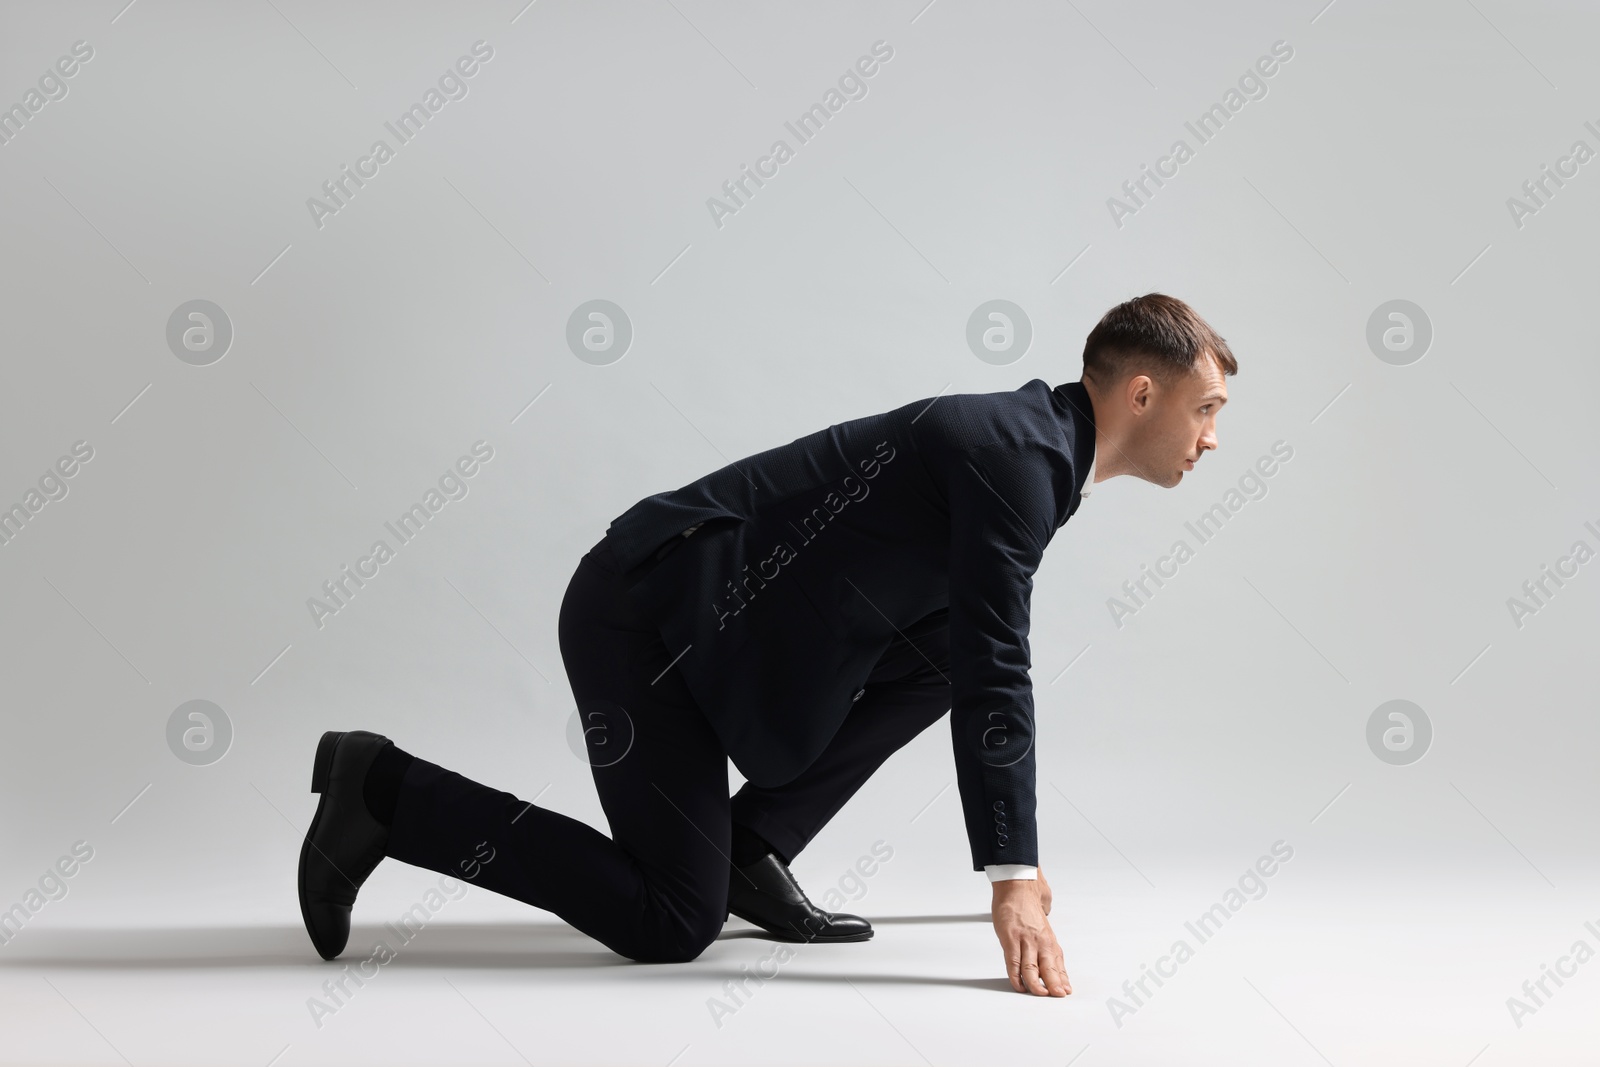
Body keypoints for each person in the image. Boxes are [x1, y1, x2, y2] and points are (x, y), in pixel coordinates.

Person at [297, 292, 1235, 997]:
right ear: (1144, 392)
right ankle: (383, 788)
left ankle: (750, 846)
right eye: (1206, 410)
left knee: (945, 646)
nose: (1213, 438)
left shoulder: (1036, 454)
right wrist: (1014, 876)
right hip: (646, 616)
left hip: (730, 641)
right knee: (672, 920)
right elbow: (1003, 672)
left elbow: (968, 654)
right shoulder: (1015, 457)